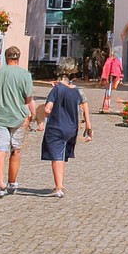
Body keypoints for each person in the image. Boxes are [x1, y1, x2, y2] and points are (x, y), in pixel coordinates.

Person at [0, 45, 37, 198]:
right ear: (18, 58)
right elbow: (29, 99)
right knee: (16, 149)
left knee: (1, 148)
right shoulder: (25, 75)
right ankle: (12, 182)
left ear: (6, 58)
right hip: (19, 118)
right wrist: (34, 116)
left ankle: (0, 183)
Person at [35, 59, 92, 198]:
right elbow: (83, 107)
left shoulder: (57, 89)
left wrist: (40, 117)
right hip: (72, 129)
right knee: (61, 156)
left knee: (56, 157)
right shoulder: (76, 92)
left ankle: (58, 187)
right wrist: (88, 126)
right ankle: (60, 184)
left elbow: (48, 109)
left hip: (57, 127)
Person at [99, 49, 124, 113]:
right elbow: (119, 68)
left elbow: (107, 68)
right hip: (111, 75)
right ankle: (106, 107)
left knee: (108, 90)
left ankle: (106, 106)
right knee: (108, 91)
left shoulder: (112, 60)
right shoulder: (113, 60)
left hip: (112, 75)